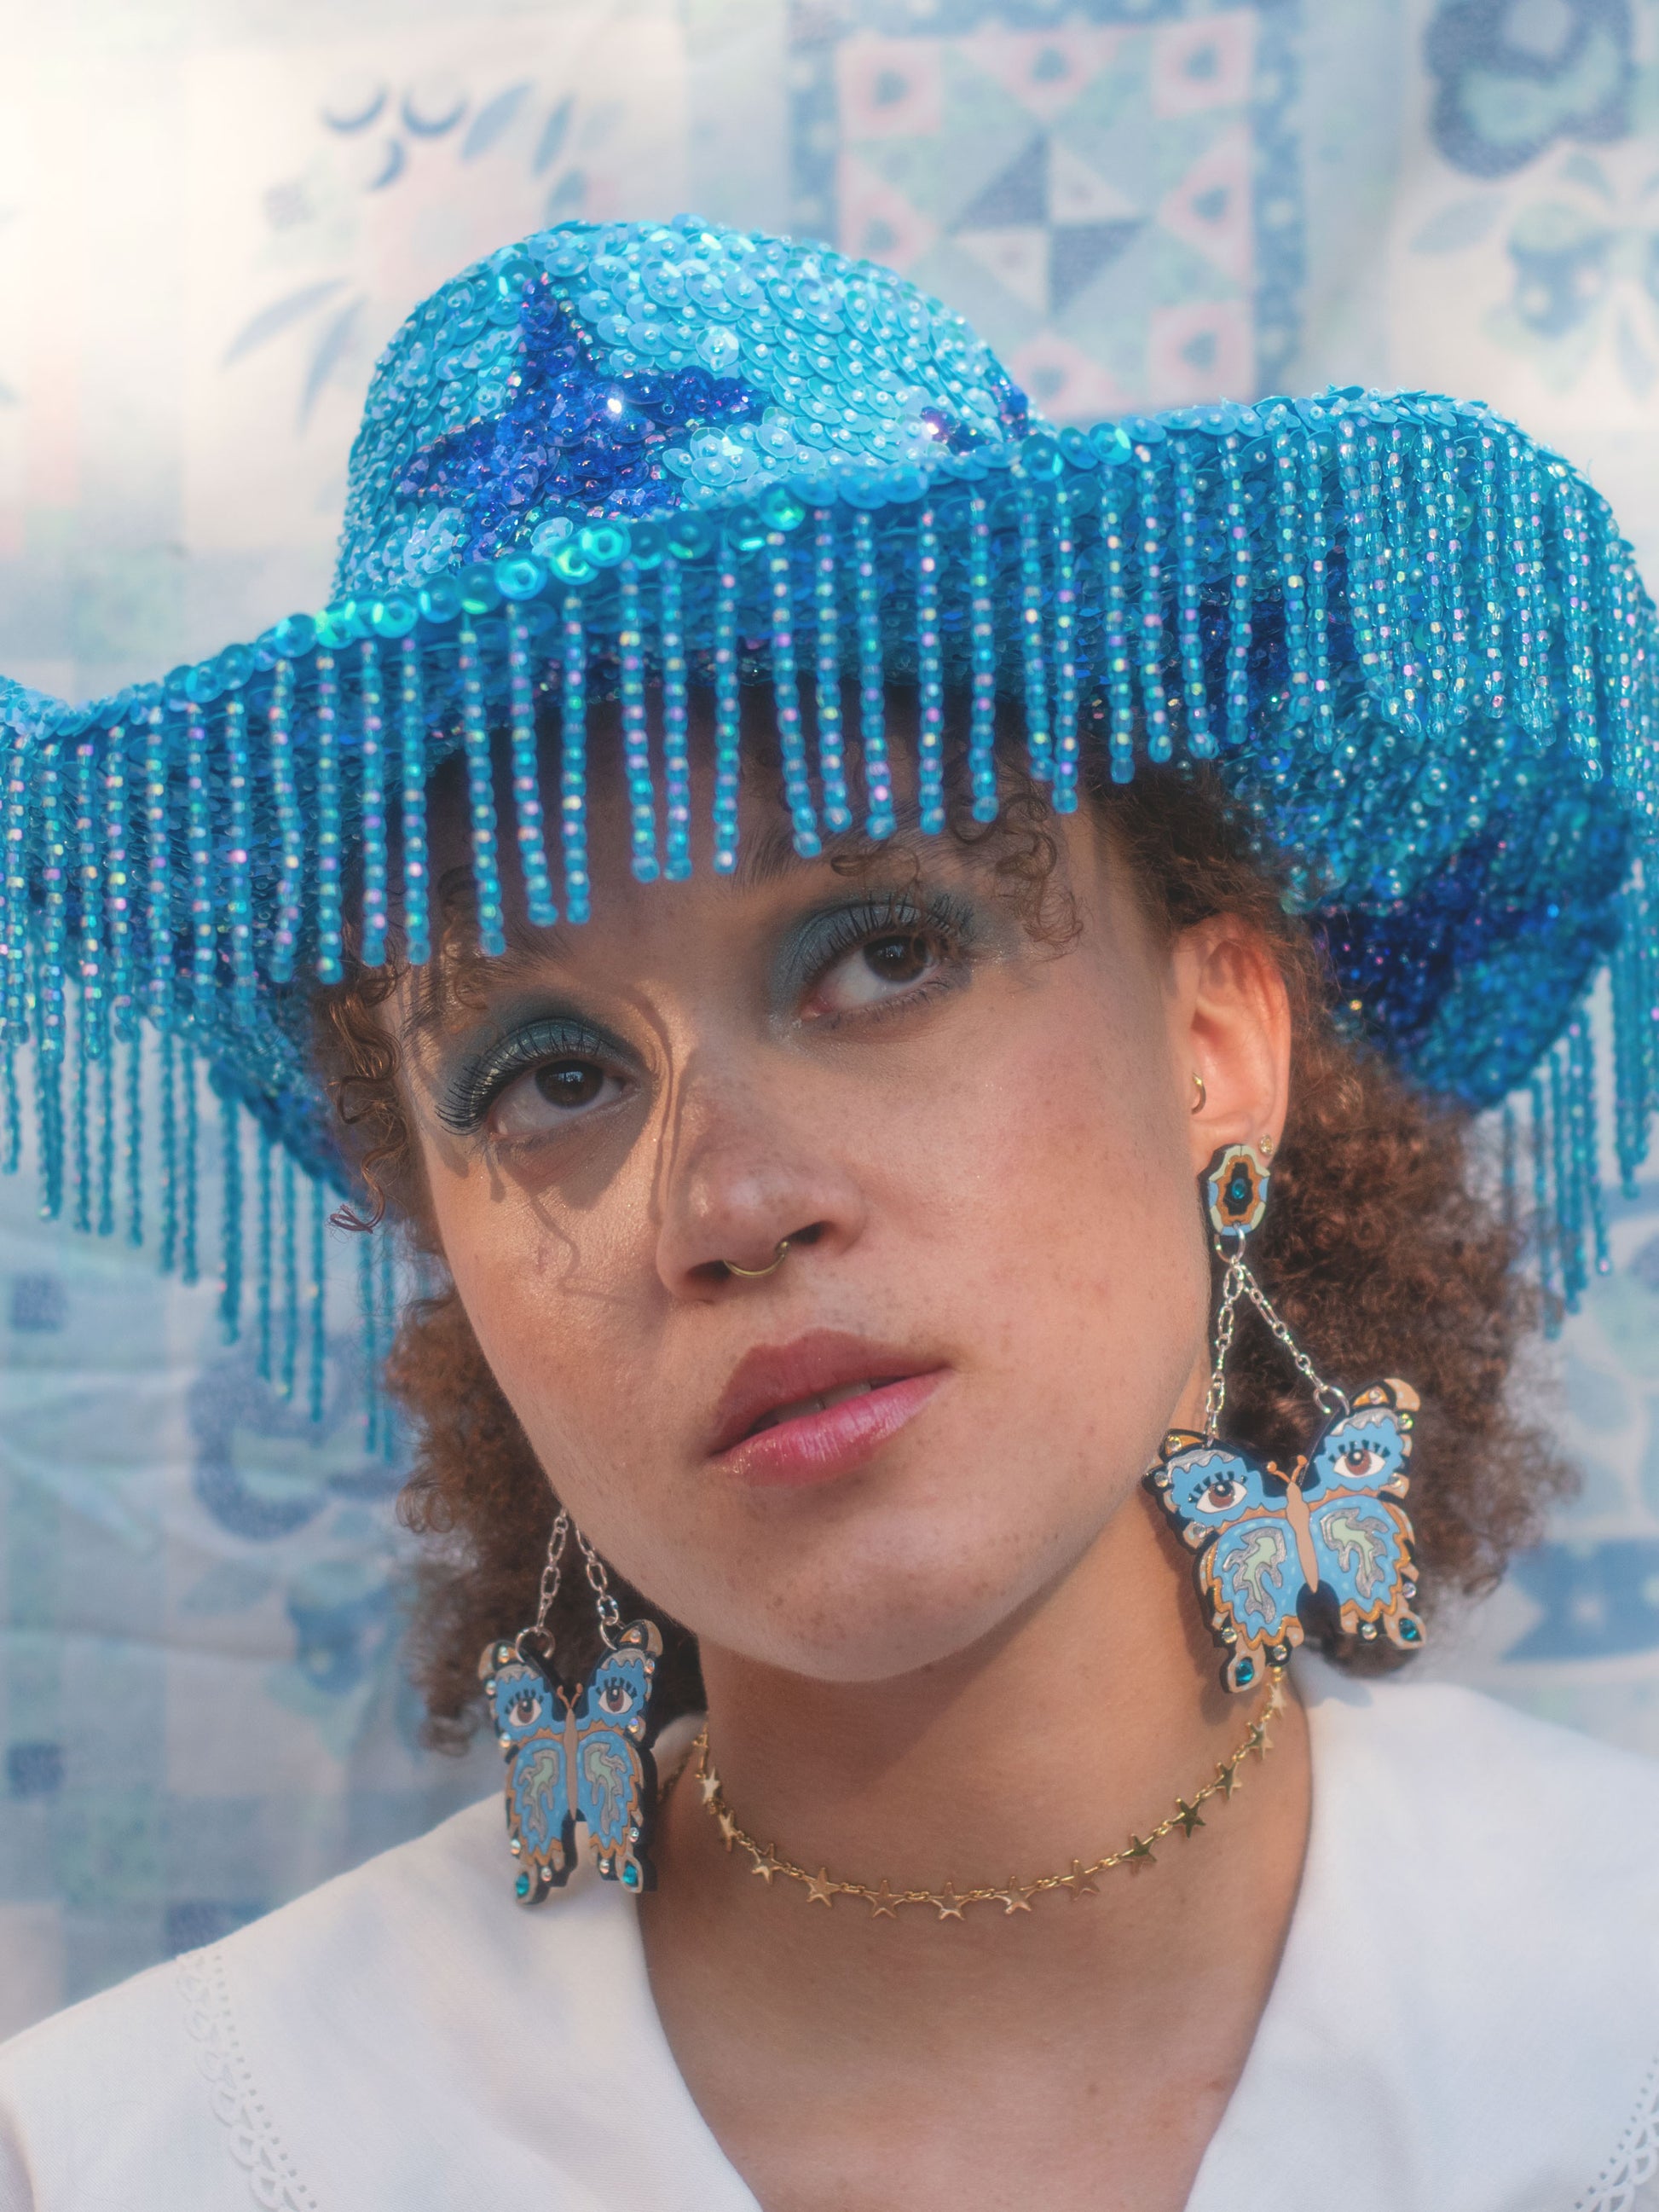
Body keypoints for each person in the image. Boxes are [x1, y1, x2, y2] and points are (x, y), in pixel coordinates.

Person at [0, 215, 1656, 2212]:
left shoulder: (1609, 2010)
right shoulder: (154, 2153)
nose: (731, 1203)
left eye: (880, 955)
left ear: (1217, 1038)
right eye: (550, 1074)